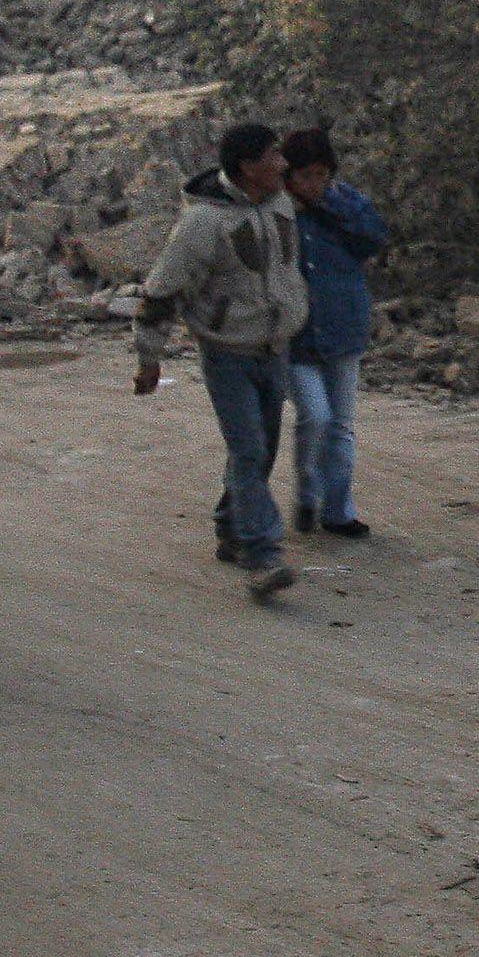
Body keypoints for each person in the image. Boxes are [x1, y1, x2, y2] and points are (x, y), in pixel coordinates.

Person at [135, 122, 308, 601]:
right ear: (249, 167)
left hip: (275, 348)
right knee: (250, 450)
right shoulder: (201, 225)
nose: (283, 164)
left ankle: (232, 526)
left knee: (261, 450)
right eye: (274, 156)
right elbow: (160, 293)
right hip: (228, 354)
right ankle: (262, 557)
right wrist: (150, 359)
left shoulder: (279, 203)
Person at [279, 128, 387, 538]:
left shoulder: (346, 203)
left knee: (341, 424)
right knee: (315, 416)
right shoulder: (276, 213)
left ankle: (338, 511)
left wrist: (333, 206)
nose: (314, 184)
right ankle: (308, 491)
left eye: (321, 175)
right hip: (296, 335)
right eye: (305, 176)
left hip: (343, 327)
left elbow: (374, 238)